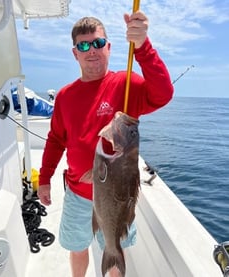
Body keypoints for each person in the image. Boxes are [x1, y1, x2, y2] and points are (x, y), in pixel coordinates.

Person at [38, 10, 174, 277]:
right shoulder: (65, 96)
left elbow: (163, 94)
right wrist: (45, 178)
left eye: (98, 43)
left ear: (109, 47)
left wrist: (143, 48)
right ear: (74, 52)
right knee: (77, 248)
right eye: (84, 45)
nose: (92, 50)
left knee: (115, 248)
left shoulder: (125, 84)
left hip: (118, 196)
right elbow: (55, 140)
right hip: (78, 193)